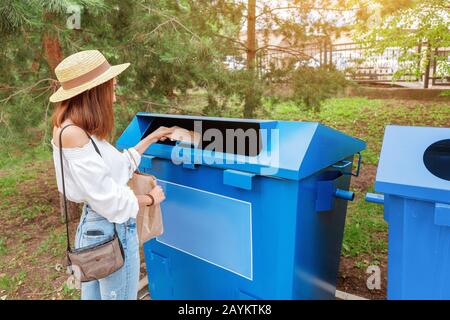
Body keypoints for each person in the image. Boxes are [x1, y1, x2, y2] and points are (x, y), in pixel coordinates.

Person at [49, 50, 175, 300]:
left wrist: (150, 137)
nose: (114, 97)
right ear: (93, 92)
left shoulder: (78, 129)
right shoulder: (74, 134)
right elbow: (109, 201)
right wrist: (150, 199)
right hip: (110, 229)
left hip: (97, 228)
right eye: (112, 88)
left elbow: (117, 167)